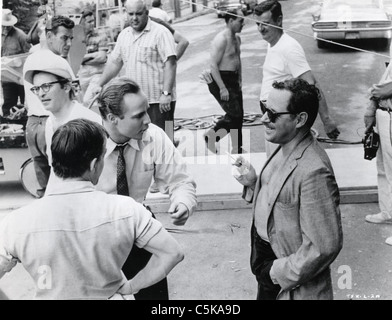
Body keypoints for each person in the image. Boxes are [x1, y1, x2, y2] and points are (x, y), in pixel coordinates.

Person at [0, 118, 184, 300]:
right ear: (94, 164)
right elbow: (173, 253)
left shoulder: (15, 222)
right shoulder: (127, 210)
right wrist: (131, 287)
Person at [233, 78, 343, 300]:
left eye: (273, 114)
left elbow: (324, 246)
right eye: (264, 108)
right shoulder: (285, 145)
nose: (264, 119)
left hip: (288, 278)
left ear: (300, 119)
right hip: (267, 260)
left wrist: (275, 272)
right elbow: (283, 199)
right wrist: (254, 184)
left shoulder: (314, 171)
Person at [95, 77, 197, 300]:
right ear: (112, 118)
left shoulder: (153, 137)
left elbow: (180, 180)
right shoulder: (85, 144)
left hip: (139, 225)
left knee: (154, 297)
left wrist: (183, 203)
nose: (149, 120)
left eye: (146, 111)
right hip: (96, 236)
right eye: (139, 115)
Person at [253, 0, 340, 156]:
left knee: (280, 163)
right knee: (273, 161)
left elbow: (311, 85)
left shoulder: (289, 47)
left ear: (279, 20)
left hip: (280, 118)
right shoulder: (272, 43)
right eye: (257, 24)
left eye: (265, 23)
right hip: (270, 115)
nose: (260, 29)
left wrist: (327, 120)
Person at [94, 0, 178, 143]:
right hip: (134, 104)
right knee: (140, 142)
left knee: (164, 141)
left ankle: (168, 164)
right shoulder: (124, 35)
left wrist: (166, 93)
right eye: (131, 14)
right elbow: (115, 62)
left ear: (146, 13)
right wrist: (99, 84)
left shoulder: (160, 33)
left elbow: (170, 63)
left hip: (158, 101)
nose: (134, 18)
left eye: (138, 13)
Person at [24, 52, 102, 176]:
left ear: (66, 87)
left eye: (46, 86)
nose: (40, 94)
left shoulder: (90, 122)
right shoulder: (51, 122)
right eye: (36, 88)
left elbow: (103, 174)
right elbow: (56, 175)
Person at [23, 15, 76, 197]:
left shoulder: (30, 60)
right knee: (64, 179)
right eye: (64, 38)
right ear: (49, 36)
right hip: (51, 124)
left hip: (31, 126)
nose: (68, 43)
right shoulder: (59, 62)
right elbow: (74, 98)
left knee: (44, 182)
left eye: (71, 38)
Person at [202, 9, 245, 154]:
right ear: (231, 21)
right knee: (235, 115)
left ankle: (237, 148)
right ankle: (211, 137)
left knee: (239, 116)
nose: (243, 24)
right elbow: (213, 65)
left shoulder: (237, 39)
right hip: (221, 80)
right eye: (240, 20)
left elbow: (237, 60)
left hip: (233, 80)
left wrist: (239, 79)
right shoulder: (221, 39)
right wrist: (222, 88)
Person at [363, 56, 392, 246]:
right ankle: (388, 211)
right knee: (384, 169)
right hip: (384, 113)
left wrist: (384, 90)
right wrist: (373, 104)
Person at [1, 9, 31, 117]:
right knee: (8, 103)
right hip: (6, 77)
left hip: (20, 76)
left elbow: (29, 54)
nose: (5, 28)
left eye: (7, 25)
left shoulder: (21, 35)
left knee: (25, 103)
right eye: (2, 25)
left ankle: (24, 125)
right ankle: (7, 126)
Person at [78, 10, 109, 103]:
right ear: (82, 23)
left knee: (87, 100)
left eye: (93, 21)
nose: (92, 24)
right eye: (89, 22)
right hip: (83, 75)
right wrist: (94, 55)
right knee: (93, 102)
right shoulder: (77, 38)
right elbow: (74, 59)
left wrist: (83, 58)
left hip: (97, 73)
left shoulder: (101, 34)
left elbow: (102, 58)